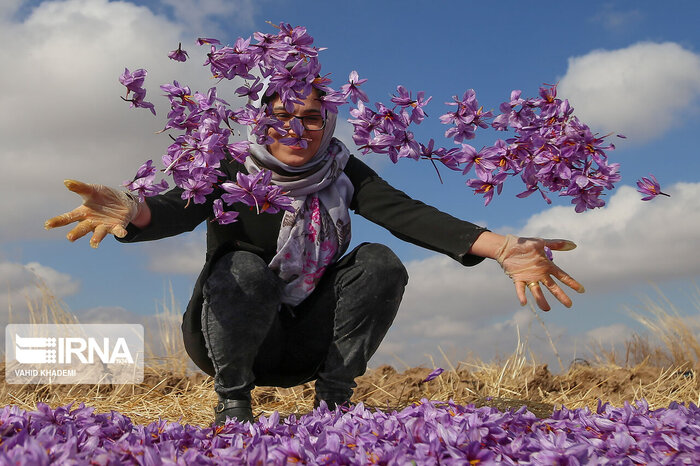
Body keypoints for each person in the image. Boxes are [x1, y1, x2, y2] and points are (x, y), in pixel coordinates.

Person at [45, 87, 584, 426]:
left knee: (379, 260)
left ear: (327, 125)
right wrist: (133, 208)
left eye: (310, 117)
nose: (296, 128)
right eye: (282, 115)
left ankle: (334, 405)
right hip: (233, 339)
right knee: (241, 265)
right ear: (260, 122)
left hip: (309, 341)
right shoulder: (230, 169)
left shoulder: (344, 172)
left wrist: (505, 248)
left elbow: (407, 214)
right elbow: (174, 208)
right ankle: (232, 408)